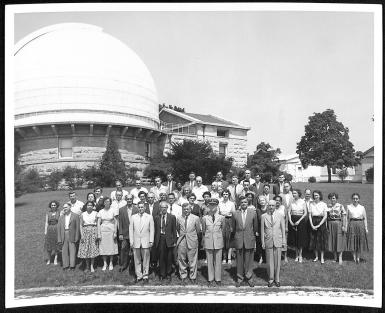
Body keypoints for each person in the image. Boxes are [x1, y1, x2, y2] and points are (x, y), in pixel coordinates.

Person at [231, 196, 259, 287]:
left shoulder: (253, 213)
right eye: (242, 202)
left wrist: (253, 237)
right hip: (239, 238)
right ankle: (239, 278)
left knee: (249, 260)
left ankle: (249, 277)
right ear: (239, 203)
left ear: (248, 203)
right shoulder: (235, 213)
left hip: (249, 239)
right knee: (239, 260)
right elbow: (233, 228)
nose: (243, 204)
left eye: (245, 202)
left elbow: (255, 227)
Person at [261, 200, 286, 287]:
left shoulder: (280, 215)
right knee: (269, 261)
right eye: (270, 205)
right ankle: (271, 279)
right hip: (268, 240)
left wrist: (284, 241)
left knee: (277, 261)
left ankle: (277, 278)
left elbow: (283, 229)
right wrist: (263, 242)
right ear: (267, 206)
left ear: (275, 206)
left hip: (278, 240)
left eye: (273, 205)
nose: (271, 207)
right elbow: (262, 230)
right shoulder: (263, 216)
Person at [202, 198, 225, 286]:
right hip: (208, 241)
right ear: (208, 206)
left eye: (214, 205)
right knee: (210, 261)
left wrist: (219, 237)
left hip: (218, 241)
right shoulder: (204, 218)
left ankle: (218, 278)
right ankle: (210, 278)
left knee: (218, 261)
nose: (212, 207)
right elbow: (204, 230)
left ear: (217, 206)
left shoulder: (222, 218)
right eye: (210, 205)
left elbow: (223, 230)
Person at [129, 202, 155, 283]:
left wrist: (151, 240)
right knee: (137, 260)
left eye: (142, 207)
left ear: (145, 208)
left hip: (146, 241)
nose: (140, 208)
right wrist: (131, 241)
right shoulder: (133, 217)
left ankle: (145, 275)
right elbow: (131, 230)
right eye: (139, 207)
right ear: (137, 208)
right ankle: (138, 276)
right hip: (136, 241)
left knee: (146, 259)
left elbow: (152, 230)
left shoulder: (149, 217)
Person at [176, 203, 202, 284]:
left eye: (187, 209)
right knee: (182, 258)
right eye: (184, 209)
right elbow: (178, 228)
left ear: (190, 209)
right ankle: (183, 275)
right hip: (182, 240)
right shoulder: (179, 218)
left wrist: (194, 237)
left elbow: (198, 230)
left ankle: (192, 276)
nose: (186, 211)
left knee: (192, 259)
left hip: (192, 240)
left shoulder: (196, 218)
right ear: (182, 210)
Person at [154, 201, 177, 281]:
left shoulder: (172, 217)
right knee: (161, 257)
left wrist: (174, 240)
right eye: (162, 207)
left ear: (167, 208)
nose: (163, 209)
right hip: (160, 238)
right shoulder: (156, 217)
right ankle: (162, 274)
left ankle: (168, 273)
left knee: (169, 257)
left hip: (169, 239)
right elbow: (155, 230)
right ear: (160, 208)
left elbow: (174, 230)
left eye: (165, 207)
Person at [346, 193, 368, 263]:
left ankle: (358, 258)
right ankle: (354, 257)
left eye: (356, 199)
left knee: (359, 241)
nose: (355, 200)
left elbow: (365, 218)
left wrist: (366, 228)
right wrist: (346, 227)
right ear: (352, 199)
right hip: (352, 225)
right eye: (354, 198)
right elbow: (346, 218)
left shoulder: (362, 207)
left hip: (360, 225)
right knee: (352, 241)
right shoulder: (348, 207)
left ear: (359, 199)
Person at [97, 197, 118, 271]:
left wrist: (115, 232)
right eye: (105, 201)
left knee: (111, 246)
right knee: (103, 247)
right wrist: (98, 233)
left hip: (111, 229)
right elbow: (98, 223)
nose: (107, 202)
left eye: (108, 201)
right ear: (103, 202)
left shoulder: (113, 210)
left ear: (110, 202)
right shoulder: (100, 211)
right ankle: (105, 263)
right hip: (103, 230)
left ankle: (111, 263)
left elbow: (116, 222)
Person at [57, 202, 80, 270]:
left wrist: (77, 237)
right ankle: (65, 265)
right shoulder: (61, 217)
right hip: (63, 234)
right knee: (64, 251)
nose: (64, 209)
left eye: (66, 207)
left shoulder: (75, 216)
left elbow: (77, 228)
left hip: (72, 234)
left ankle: (72, 265)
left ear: (70, 207)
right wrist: (59, 239)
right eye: (64, 208)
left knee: (72, 250)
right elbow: (59, 228)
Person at [78, 201, 99, 272]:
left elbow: (98, 224)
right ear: (86, 206)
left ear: (93, 206)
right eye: (88, 205)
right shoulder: (82, 214)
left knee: (92, 249)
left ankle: (92, 265)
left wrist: (97, 233)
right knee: (86, 249)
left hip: (93, 231)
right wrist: (82, 235)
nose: (89, 206)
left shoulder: (96, 213)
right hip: (85, 232)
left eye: (91, 205)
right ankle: (87, 266)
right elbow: (80, 225)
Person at [287, 189, 308, 263]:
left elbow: (305, 213)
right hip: (293, 220)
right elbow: (289, 212)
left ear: (299, 194)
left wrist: (299, 221)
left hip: (301, 221)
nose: (293, 194)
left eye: (295, 193)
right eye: (293, 193)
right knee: (295, 238)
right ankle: (296, 255)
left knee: (300, 238)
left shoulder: (303, 202)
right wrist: (290, 221)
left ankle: (300, 255)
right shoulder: (291, 202)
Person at [327, 192, 347, 264]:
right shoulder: (328, 206)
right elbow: (326, 217)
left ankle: (340, 257)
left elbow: (344, 216)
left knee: (339, 241)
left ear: (336, 198)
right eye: (331, 198)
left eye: (334, 198)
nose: (332, 199)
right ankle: (335, 258)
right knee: (332, 240)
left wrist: (344, 226)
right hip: (330, 224)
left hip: (338, 224)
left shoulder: (340, 206)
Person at [308, 190, 328, 264]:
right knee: (314, 239)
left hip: (321, 221)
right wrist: (312, 225)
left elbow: (325, 216)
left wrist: (319, 224)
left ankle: (322, 257)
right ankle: (316, 256)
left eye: (317, 195)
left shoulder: (324, 204)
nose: (315, 196)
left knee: (321, 240)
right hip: (313, 221)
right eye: (314, 195)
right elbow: (310, 215)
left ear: (320, 196)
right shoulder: (311, 204)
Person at [218, 189, 235, 264]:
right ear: (222, 195)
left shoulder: (231, 203)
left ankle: (229, 257)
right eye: (224, 194)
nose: (225, 196)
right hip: (222, 221)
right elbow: (219, 213)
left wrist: (226, 214)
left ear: (229, 195)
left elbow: (233, 214)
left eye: (226, 194)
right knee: (223, 238)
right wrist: (226, 213)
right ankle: (224, 257)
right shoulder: (220, 203)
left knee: (229, 239)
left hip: (229, 221)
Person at [118, 194, 133, 272]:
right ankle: (123, 265)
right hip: (125, 233)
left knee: (134, 250)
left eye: (130, 199)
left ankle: (133, 265)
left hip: (134, 234)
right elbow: (120, 222)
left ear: (132, 199)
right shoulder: (121, 209)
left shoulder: (137, 209)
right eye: (128, 199)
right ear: (126, 200)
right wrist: (120, 233)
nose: (129, 200)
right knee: (124, 249)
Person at [44, 200, 60, 265]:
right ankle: (49, 259)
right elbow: (46, 222)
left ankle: (55, 259)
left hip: (56, 228)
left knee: (56, 245)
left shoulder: (59, 212)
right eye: (52, 205)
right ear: (50, 206)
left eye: (54, 205)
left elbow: (60, 221)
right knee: (48, 245)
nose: (53, 206)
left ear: (56, 206)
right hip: (50, 229)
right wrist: (45, 231)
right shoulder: (48, 213)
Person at [274, 195, 288, 263]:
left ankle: (285, 257)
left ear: (281, 202)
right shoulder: (272, 208)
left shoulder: (283, 208)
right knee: (276, 242)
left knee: (284, 241)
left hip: (282, 227)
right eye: (276, 200)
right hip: (275, 228)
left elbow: (286, 218)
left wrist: (286, 227)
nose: (277, 202)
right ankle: (277, 256)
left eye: (279, 200)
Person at [255, 195, 268, 264]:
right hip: (260, 229)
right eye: (260, 201)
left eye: (263, 200)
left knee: (267, 243)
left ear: (266, 201)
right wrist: (256, 230)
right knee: (259, 243)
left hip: (267, 228)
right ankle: (261, 257)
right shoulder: (257, 210)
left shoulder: (269, 209)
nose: (262, 202)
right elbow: (256, 221)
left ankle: (267, 257)